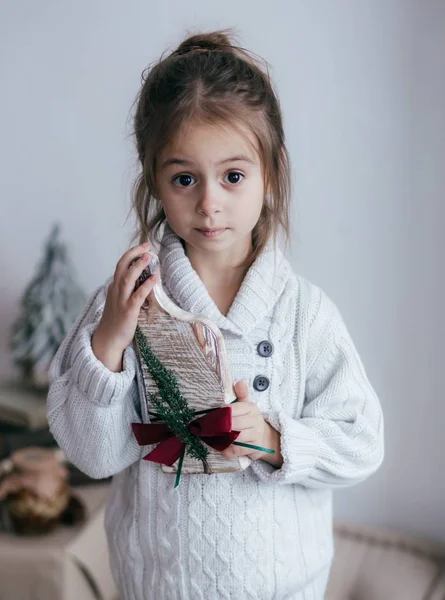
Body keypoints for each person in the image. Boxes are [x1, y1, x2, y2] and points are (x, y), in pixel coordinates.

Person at [47, 29, 384, 600]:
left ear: (270, 173)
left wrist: (276, 440)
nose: (209, 202)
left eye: (232, 176)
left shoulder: (304, 314)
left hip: (284, 587)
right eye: (184, 179)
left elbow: (362, 443)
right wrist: (107, 343)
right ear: (154, 180)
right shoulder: (130, 299)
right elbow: (92, 455)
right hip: (158, 586)